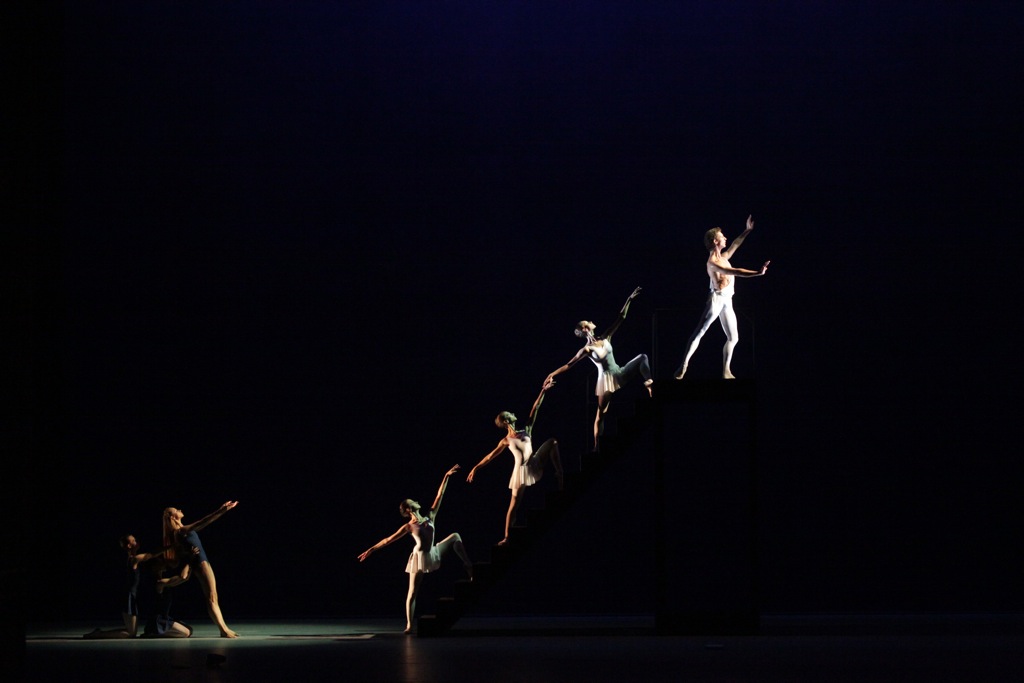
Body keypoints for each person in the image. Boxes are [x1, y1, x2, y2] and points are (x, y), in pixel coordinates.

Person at [358, 466, 473, 634]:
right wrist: (371, 550)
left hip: (433, 551)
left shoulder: (430, 516)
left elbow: (439, 495)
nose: (417, 501)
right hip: (419, 557)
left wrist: (446, 476)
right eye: (413, 501)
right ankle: (409, 625)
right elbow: (388, 540)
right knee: (412, 592)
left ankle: (467, 564)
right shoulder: (409, 526)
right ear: (408, 509)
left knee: (455, 536)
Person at [545, 287, 653, 450]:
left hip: (618, 372)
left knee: (643, 357)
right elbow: (569, 364)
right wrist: (552, 373)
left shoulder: (605, 336)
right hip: (605, 381)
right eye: (587, 322)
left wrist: (629, 299)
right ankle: (596, 446)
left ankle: (649, 384)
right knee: (601, 414)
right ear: (585, 328)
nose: (590, 321)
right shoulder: (587, 349)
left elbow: (621, 317)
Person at [466, 380, 564, 545]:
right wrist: (476, 468)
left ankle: (560, 476)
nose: (513, 413)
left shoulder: (526, 429)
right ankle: (507, 536)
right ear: (506, 421)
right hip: (520, 471)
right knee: (513, 504)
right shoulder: (506, 440)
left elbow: (535, 408)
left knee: (553, 442)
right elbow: (490, 456)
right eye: (509, 414)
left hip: (534, 461)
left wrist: (543, 391)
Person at [674, 215, 770, 380]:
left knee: (734, 337)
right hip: (716, 300)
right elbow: (736, 271)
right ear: (715, 241)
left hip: (727, 300)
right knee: (700, 332)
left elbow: (735, 244)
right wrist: (757, 273)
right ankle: (683, 365)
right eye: (722, 236)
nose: (725, 238)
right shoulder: (712, 262)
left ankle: (726, 370)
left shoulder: (723, 258)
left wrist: (747, 230)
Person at [162, 501, 239, 638]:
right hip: (201, 563)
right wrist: (222, 510)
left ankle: (224, 628)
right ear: (173, 517)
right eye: (176, 510)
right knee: (211, 597)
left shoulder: (180, 532)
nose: (180, 509)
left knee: (213, 597)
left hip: (202, 562)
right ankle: (223, 630)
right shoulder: (181, 531)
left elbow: (182, 552)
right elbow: (202, 522)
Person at [83, 534, 176, 639]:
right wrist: (170, 546)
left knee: (131, 632)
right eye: (134, 540)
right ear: (129, 546)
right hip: (129, 596)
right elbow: (150, 555)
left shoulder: (133, 559)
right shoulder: (134, 559)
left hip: (132, 596)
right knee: (131, 633)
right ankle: (98, 634)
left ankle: (99, 633)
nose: (137, 541)